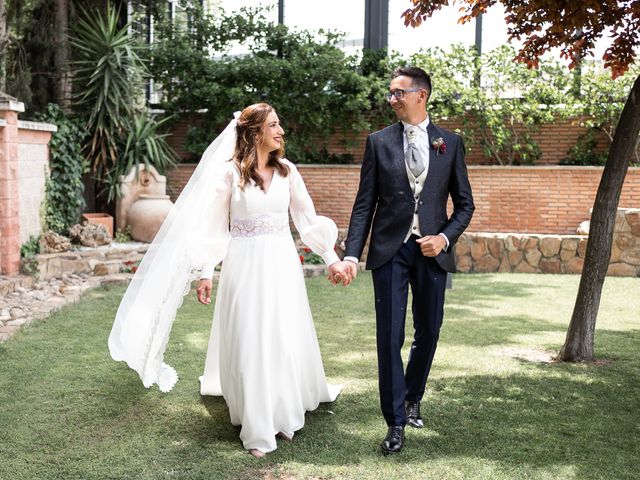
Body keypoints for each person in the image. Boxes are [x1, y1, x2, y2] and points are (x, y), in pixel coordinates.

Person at [109, 103, 345, 458]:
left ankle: (282, 413)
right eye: (274, 125)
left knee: (281, 334)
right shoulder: (229, 175)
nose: (281, 132)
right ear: (254, 133)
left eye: (280, 125)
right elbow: (214, 226)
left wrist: (332, 259)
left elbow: (306, 220)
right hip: (243, 265)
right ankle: (258, 423)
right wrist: (206, 271)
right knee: (249, 336)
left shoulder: (288, 171)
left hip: (281, 265)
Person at [332, 67, 475, 454]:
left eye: (398, 93)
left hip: (432, 253)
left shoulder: (450, 143)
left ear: (421, 95)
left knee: (428, 330)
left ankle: (413, 397)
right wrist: (350, 252)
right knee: (389, 336)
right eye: (390, 93)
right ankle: (395, 422)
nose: (392, 99)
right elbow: (365, 204)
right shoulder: (378, 142)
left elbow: (465, 205)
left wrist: (443, 238)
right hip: (390, 251)